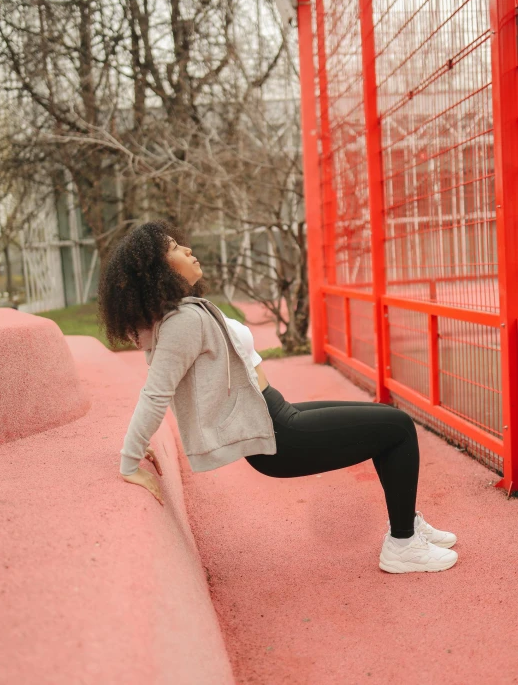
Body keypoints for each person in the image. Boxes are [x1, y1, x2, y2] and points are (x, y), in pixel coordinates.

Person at [97, 220, 458, 574]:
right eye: (174, 248)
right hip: (276, 434)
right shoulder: (182, 322)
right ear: (157, 270)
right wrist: (129, 461)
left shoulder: (187, 312)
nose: (188, 249)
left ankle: (406, 522)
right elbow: (155, 393)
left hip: (275, 410)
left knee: (385, 420)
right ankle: (403, 544)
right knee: (398, 427)